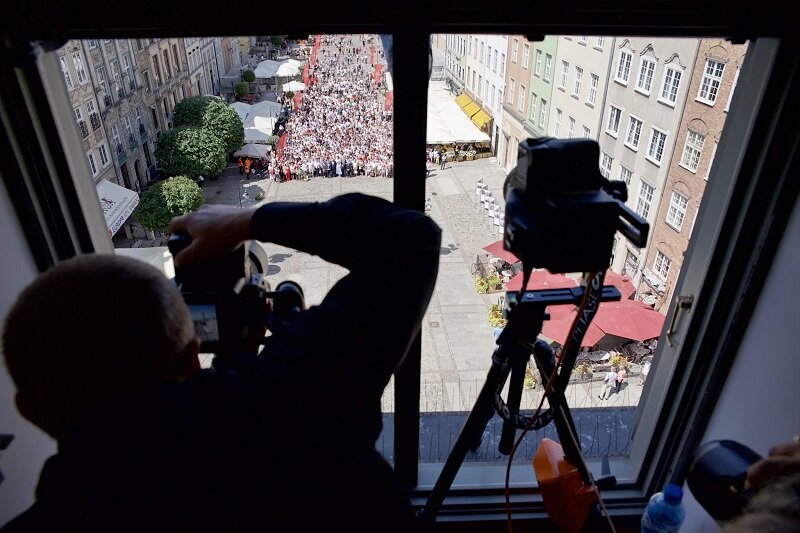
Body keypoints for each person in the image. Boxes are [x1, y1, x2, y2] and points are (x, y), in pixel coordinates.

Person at [1, 193, 441, 531]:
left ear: (29, 411)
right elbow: (408, 239)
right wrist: (246, 221)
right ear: (193, 355)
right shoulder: (289, 400)